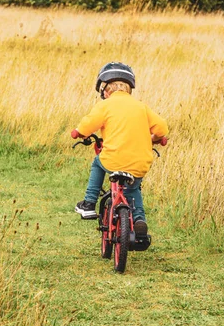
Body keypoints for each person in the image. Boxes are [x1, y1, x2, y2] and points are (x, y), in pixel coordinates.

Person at [71, 61, 168, 237]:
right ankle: (139, 220)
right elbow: (161, 128)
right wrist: (154, 138)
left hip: (113, 159)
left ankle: (89, 203)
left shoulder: (105, 105)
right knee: (133, 189)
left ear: (106, 91)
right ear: (129, 89)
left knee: (97, 163)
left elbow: (89, 123)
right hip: (139, 163)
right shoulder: (141, 107)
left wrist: (79, 132)